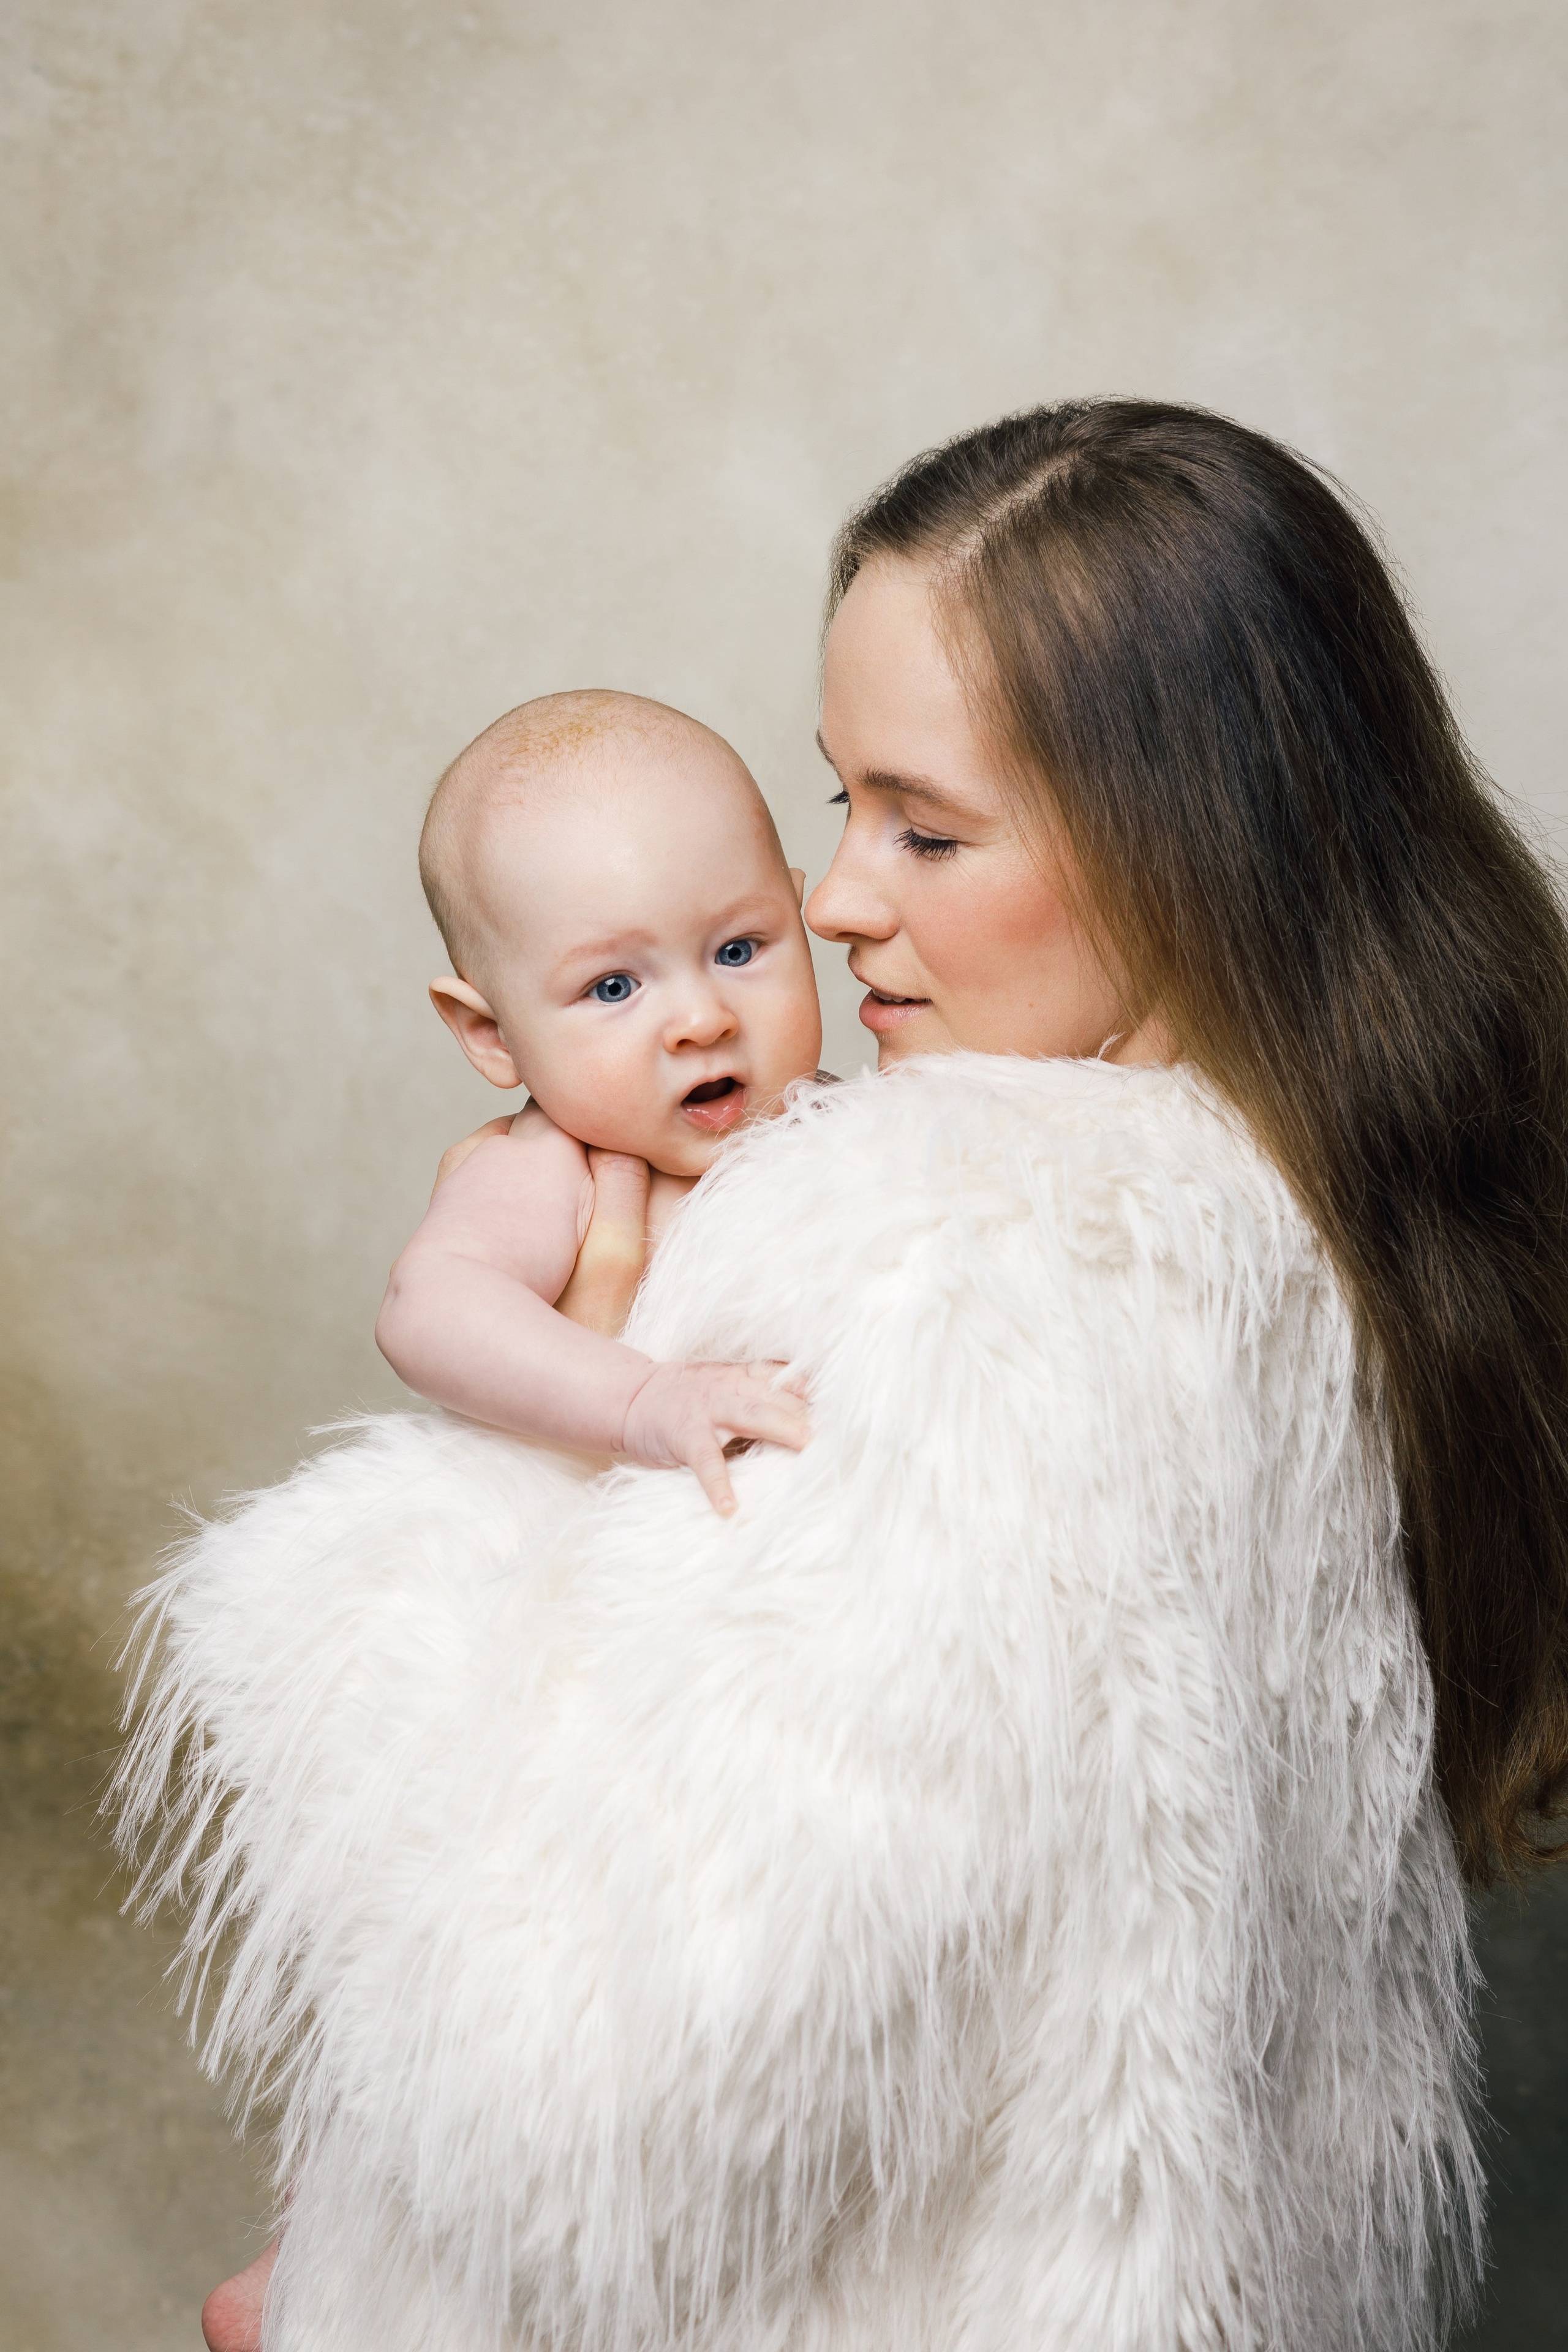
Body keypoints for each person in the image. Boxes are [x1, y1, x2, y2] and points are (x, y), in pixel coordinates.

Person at [136, 396, 1568, 2352]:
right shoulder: (1327, 1215)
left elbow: (629, 2063)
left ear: (1183, 847)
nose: (829, 901)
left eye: (927, 826)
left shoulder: (948, 1255)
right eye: (839, 803)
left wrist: (458, 1553)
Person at [374, 687, 823, 1514]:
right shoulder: (557, 1167)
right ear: (492, 1035)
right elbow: (428, 1307)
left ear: (798, 917)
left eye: (738, 948)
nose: (701, 1018)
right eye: (613, 986)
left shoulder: (853, 1122)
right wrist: (639, 1402)